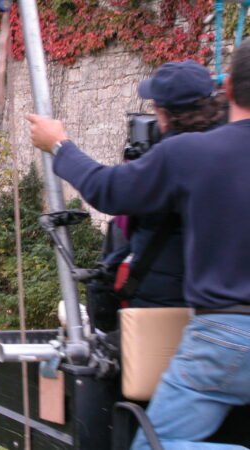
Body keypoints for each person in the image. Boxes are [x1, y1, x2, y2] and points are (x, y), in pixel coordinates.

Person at [27, 39, 250, 449]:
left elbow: (105, 188)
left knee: (152, 444)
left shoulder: (190, 153)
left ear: (231, 88)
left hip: (227, 333)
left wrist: (58, 144)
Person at [89, 60, 226, 334]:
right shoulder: (230, 148)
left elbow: (109, 195)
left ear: (166, 115)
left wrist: (59, 144)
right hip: (218, 308)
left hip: (160, 310)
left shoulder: (171, 158)